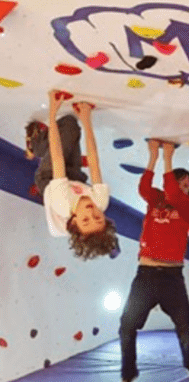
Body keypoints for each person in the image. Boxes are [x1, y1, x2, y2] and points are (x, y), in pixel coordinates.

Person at [119, 139, 189, 382]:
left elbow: (174, 195)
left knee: (184, 326)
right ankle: (128, 373)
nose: (183, 188)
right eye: (181, 182)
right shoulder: (155, 199)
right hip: (145, 274)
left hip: (172, 278)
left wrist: (168, 158)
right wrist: (153, 156)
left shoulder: (188, 205)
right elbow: (144, 186)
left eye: (188, 186)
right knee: (126, 326)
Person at [29, 90, 118, 259]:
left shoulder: (62, 203)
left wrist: (52, 111)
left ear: (75, 221)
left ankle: (36, 144)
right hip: (76, 180)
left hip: (49, 179)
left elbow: (57, 159)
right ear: (105, 217)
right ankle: (41, 145)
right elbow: (93, 162)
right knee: (73, 127)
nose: (91, 212)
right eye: (98, 218)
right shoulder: (100, 202)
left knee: (67, 126)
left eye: (85, 220)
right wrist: (86, 119)